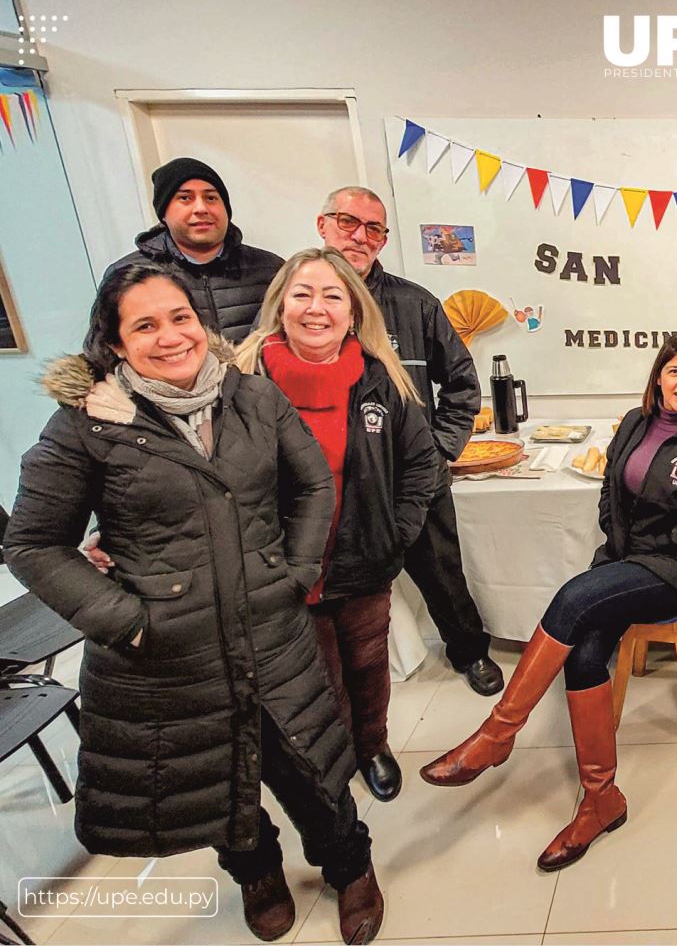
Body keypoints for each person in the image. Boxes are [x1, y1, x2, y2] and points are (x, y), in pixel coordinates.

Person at [3, 264, 384, 945]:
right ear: (116, 343)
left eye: (179, 317)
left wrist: (296, 570)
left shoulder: (252, 400)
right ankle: (257, 872)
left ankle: (350, 865)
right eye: (144, 325)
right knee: (216, 777)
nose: (169, 336)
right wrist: (126, 622)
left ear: (200, 324)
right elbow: (32, 543)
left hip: (271, 630)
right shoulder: (86, 426)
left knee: (310, 766)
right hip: (167, 652)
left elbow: (312, 488)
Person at [420, 332, 677, 871]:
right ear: (658, 377)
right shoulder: (632, 424)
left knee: (573, 598)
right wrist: (615, 531)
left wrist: (663, 541)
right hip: (623, 560)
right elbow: (610, 490)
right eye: (675, 372)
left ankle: (497, 733)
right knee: (584, 650)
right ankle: (602, 801)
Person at [237, 247, 438, 803]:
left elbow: (422, 462)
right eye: (303, 294)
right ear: (280, 305)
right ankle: (334, 756)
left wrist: (397, 530)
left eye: (333, 296)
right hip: (280, 567)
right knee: (317, 676)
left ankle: (372, 746)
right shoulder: (241, 383)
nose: (317, 308)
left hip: (362, 559)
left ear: (353, 309)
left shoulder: (380, 380)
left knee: (368, 664)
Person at [316, 187, 504, 697]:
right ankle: (345, 683)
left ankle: (470, 652)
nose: (360, 236)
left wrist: (440, 449)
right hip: (329, 478)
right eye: (348, 222)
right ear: (323, 225)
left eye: (373, 228)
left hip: (412, 474)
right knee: (337, 585)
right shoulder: (298, 302)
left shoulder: (414, 303)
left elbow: (463, 383)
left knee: (442, 571)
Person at [105, 157, 284, 342]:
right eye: (185, 198)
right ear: (163, 213)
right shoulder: (127, 275)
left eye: (211, 198)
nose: (201, 208)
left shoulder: (271, 269)